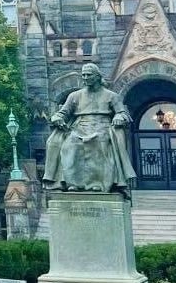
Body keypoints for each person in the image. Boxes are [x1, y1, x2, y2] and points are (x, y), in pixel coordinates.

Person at [42, 61, 137, 196]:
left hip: (102, 126)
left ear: (97, 76)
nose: (85, 78)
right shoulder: (74, 96)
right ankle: (73, 183)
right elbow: (63, 113)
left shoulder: (111, 96)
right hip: (79, 127)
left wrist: (119, 117)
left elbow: (122, 113)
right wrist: (57, 118)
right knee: (71, 144)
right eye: (84, 75)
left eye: (89, 75)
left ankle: (98, 184)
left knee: (98, 142)